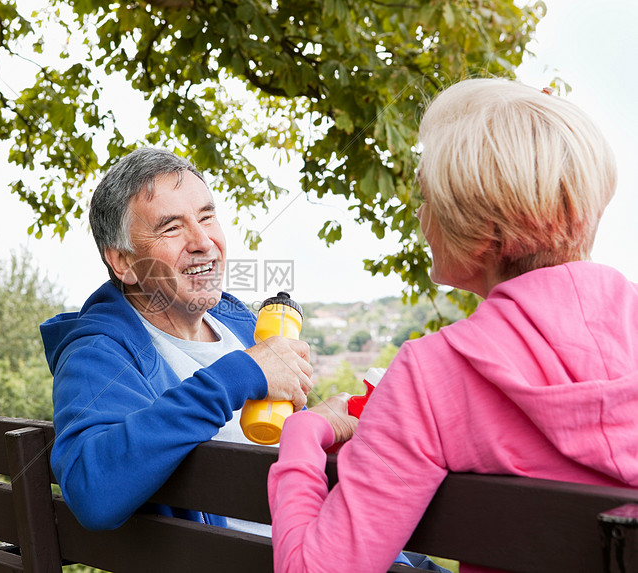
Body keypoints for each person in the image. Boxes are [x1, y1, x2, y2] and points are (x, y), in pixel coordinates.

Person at [268, 77, 638, 572]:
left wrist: (300, 432)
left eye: (429, 199)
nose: (422, 217)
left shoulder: (431, 375)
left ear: (481, 229)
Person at [40, 147, 313, 532]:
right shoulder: (98, 354)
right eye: (171, 227)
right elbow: (92, 492)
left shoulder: (243, 328)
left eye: (206, 216)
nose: (203, 241)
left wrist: (325, 426)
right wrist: (236, 376)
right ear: (123, 262)